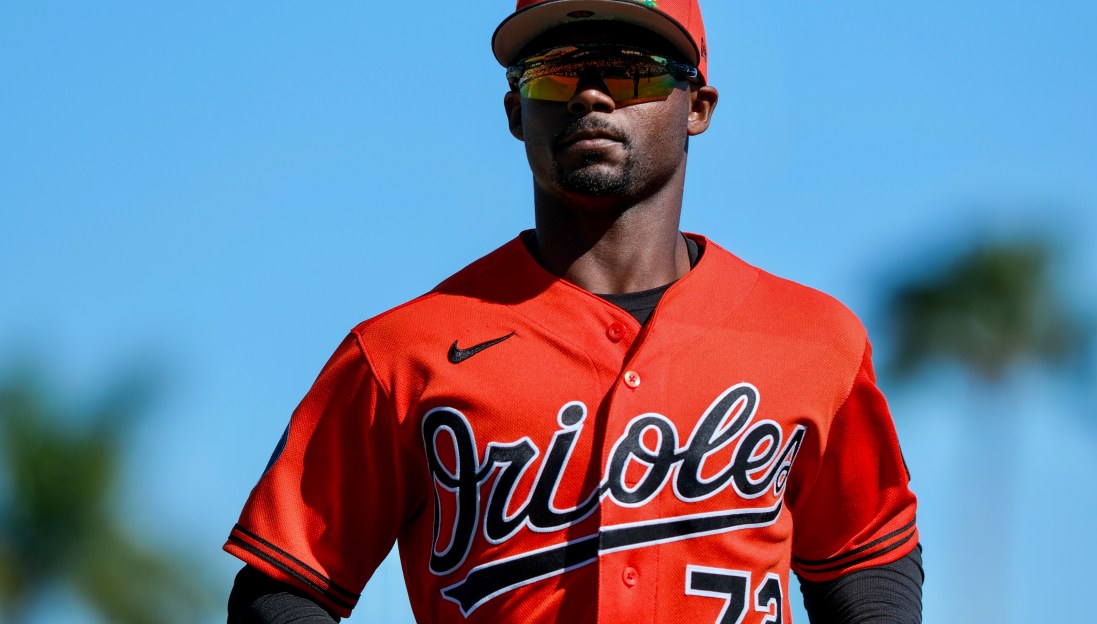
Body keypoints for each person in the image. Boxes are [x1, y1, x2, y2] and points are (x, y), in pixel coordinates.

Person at [225, 1, 923, 622]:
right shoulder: (402, 353)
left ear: (698, 106)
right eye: (556, 73)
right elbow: (286, 588)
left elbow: (865, 563)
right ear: (514, 112)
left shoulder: (810, 339)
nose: (590, 95)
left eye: (632, 72)